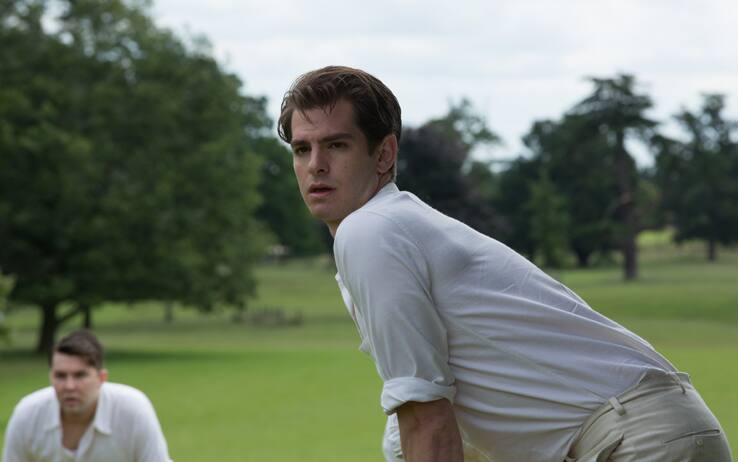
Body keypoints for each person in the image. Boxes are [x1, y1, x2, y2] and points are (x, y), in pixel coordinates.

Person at [278, 65, 733, 462]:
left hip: (635, 441)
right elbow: (418, 426)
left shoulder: (370, 230)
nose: (316, 165)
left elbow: (427, 418)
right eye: (302, 149)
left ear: (384, 154)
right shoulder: (396, 227)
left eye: (336, 145)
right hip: (653, 428)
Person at [3, 329, 172, 462]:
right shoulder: (27, 415)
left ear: (101, 378)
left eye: (80, 375)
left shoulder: (134, 410)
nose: (69, 386)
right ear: (51, 376)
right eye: (60, 376)